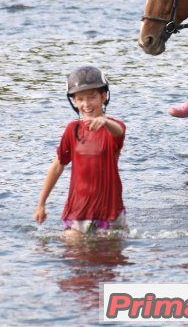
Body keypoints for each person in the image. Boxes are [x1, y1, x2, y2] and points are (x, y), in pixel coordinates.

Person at [34, 66, 127, 238]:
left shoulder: (113, 128)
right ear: (74, 102)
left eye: (92, 97)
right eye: (80, 99)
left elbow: (119, 131)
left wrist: (104, 122)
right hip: (78, 210)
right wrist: (41, 204)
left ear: (103, 97)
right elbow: (57, 167)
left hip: (110, 210)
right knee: (74, 257)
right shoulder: (72, 130)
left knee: (111, 260)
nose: (86, 104)